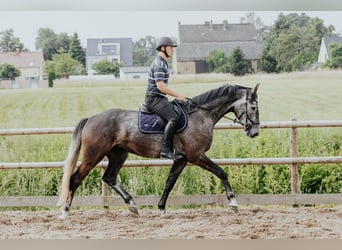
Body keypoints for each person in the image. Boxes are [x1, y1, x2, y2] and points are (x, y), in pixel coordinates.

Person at [145, 36, 187, 160]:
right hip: (154, 98)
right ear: (163, 48)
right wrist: (178, 95)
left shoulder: (163, 63)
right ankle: (166, 150)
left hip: (160, 98)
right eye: (170, 48)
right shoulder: (159, 64)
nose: (173, 50)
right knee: (173, 117)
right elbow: (160, 86)